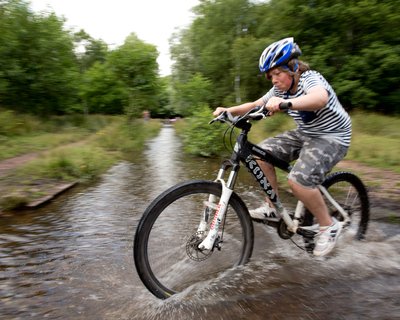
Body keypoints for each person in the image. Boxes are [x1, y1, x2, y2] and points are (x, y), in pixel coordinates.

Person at [212, 37, 351, 257]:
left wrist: (288, 103)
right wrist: (228, 110)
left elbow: (319, 98)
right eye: (271, 76)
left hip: (332, 136)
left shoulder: (310, 79)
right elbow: (255, 105)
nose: (274, 79)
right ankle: (271, 208)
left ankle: (328, 225)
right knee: (260, 154)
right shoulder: (278, 91)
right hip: (306, 133)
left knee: (298, 181)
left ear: (293, 67)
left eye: (278, 73)